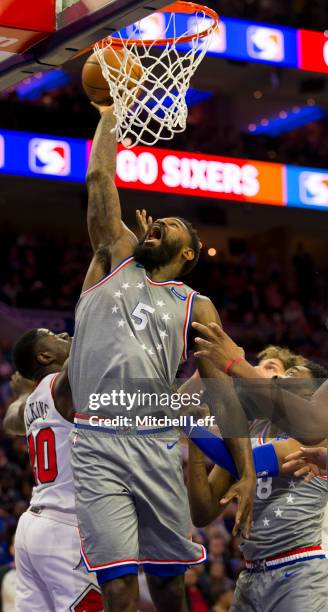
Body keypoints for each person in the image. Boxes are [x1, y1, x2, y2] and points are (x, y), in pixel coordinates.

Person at [68, 105, 255, 611]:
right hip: (98, 438)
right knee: (119, 588)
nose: (157, 224)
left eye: (169, 225)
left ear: (189, 252)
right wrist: (110, 114)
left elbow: (222, 395)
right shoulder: (115, 255)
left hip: (154, 441)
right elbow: (100, 176)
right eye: (156, 222)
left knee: (170, 586)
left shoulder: (195, 303)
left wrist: (246, 469)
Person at [187, 361, 328, 612]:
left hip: (298, 569)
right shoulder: (252, 429)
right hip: (251, 571)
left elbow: (251, 462)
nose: (280, 377)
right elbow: (202, 514)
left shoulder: (316, 436)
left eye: (292, 373)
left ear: (312, 393)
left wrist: (190, 426)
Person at [3, 329, 103, 612]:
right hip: (66, 528)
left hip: (32, 527)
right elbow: (88, 330)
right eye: (52, 335)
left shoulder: (32, 401)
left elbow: (9, 420)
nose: (62, 333)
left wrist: (22, 393)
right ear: (44, 356)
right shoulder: (61, 388)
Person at [191, 321, 328, 440]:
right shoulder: (251, 425)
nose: (255, 369)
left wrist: (236, 363)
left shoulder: (316, 433)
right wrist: (200, 375)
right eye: (256, 365)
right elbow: (174, 420)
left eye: (271, 368)